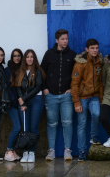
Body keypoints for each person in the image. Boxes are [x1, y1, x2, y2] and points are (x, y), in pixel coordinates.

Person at [41, 29, 76, 162]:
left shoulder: (72, 54)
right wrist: (44, 88)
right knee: (52, 123)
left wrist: (72, 88)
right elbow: (41, 72)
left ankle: (67, 150)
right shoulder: (49, 54)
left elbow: (76, 74)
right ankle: (51, 151)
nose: (65, 41)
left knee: (67, 122)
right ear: (57, 40)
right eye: (62, 39)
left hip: (66, 96)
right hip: (51, 95)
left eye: (66, 39)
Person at [71, 38, 103, 162]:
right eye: (92, 48)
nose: (95, 50)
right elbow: (74, 84)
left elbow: (100, 82)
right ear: (87, 49)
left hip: (94, 96)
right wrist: (76, 102)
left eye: (96, 48)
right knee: (82, 125)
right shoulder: (80, 63)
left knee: (97, 114)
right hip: (82, 98)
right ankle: (82, 151)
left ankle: (94, 137)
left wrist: (100, 98)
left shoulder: (99, 62)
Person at [14, 49, 44, 164]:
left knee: (33, 128)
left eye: (31, 57)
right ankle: (25, 152)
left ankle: (31, 152)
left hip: (36, 100)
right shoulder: (20, 71)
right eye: (27, 57)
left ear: (34, 58)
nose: (29, 59)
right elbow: (18, 87)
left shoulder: (38, 71)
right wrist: (23, 103)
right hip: (23, 103)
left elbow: (37, 87)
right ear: (24, 59)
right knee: (25, 128)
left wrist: (24, 99)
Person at [3, 49, 23, 162]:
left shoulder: (23, 69)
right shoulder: (7, 70)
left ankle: (13, 151)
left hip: (21, 103)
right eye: (15, 56)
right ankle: (9, 151)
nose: (17, 58)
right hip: (11, 103)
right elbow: (7, 88)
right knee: (17, 127)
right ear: (12, 57)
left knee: (20, 128)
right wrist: (14, 100)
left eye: (19, 56)